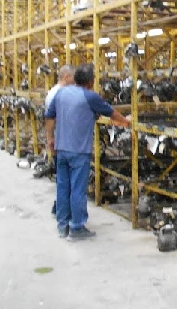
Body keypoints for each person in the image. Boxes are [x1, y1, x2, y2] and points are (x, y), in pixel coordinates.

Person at [45, 63, 130, 239]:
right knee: (77, 189)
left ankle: (62, 225)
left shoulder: (61, 93)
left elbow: (49, 116)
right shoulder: (90, 97)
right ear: (91, 82)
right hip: (78, 150)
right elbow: (112, 113)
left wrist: (50, 139)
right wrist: (126, 122)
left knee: (63, 187)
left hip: (61, 148)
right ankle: (76, 227)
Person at [45, 65, 74, 216]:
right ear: (67, 77)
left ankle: (60, 207)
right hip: (61, 142)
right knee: (65, 180)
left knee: (63, 179)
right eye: (73, 77)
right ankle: (62, 211)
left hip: (60, 140)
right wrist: (51, 139)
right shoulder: (58, 93)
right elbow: (50, 118)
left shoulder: (55, 91)